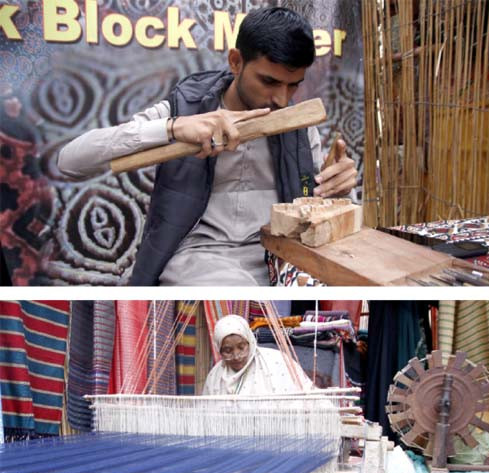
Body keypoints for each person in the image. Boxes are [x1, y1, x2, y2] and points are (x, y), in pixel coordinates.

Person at [57, 7, 358, 286]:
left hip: (282, 259)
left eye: (293, 85)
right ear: (236, 61)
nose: (281, 99)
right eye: (269, 82)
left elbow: (321, 213)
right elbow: (69, 162)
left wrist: (341, 190)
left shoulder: (300, 128)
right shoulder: (184, 110)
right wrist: (173, 127)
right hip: (199, 261)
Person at [203, 315, 334, 473]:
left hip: (271, 454)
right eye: (227, 350)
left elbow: (307, 394)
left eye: (241, 347)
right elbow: (205, 421)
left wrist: (327, 415)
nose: (236, 356)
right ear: (219, 350)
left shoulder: (275, 363)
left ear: (250, 342)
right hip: (231, 460)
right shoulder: (216, 377)